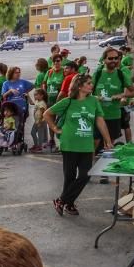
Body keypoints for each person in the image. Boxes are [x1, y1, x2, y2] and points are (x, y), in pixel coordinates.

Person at [44, 74, 112, 216]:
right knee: (69, 176)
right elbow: (47, 114)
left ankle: (62, 200)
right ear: (79, 86)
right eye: (88, 83)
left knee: (85, 174)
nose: (91, 85)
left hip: (86, 145)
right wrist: (55, 128)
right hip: (69, 143)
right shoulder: (68, 101)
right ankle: (69, 204)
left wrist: (108, 140)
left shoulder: (93, 101)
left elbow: (100, 121)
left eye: (91, 83)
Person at [94, 47, 134, 155]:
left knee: (109, 145)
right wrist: (96, 98)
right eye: (110, 58)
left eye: (116, 58)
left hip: (113, 115)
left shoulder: (121, 74)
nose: (114, 61)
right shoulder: (97, 74)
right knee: (95, 145)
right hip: (98, 115)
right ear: (104, 60)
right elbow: (86, 92)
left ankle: (102, 168)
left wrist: (122, 95)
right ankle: (90, 167)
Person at [1, 66, 34, 134]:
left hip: (22, 106)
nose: (18, 74)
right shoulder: (6, 83)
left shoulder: (22, 82)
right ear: (11, 73)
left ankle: (18, 138)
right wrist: (10, 91)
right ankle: (10, 138)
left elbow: (33, 85)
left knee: (20, 124)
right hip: (11, 107)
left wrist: (26, 91)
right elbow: (3, 95)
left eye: (19, 72)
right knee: (11, 124)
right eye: (16, 72)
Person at [29, 89, 50, 153]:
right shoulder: (37, 101)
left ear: (42, 96)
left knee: (40, 135)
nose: (35, 96)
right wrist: (28, 96)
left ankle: (39, 147)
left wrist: (40, 121)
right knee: (33, 132)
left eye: (36, 95)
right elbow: (31, 103)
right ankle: (36, 145)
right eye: (34, 95)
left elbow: (42, 112)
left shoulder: (42, 103)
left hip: (41, 121)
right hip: (37, 121)